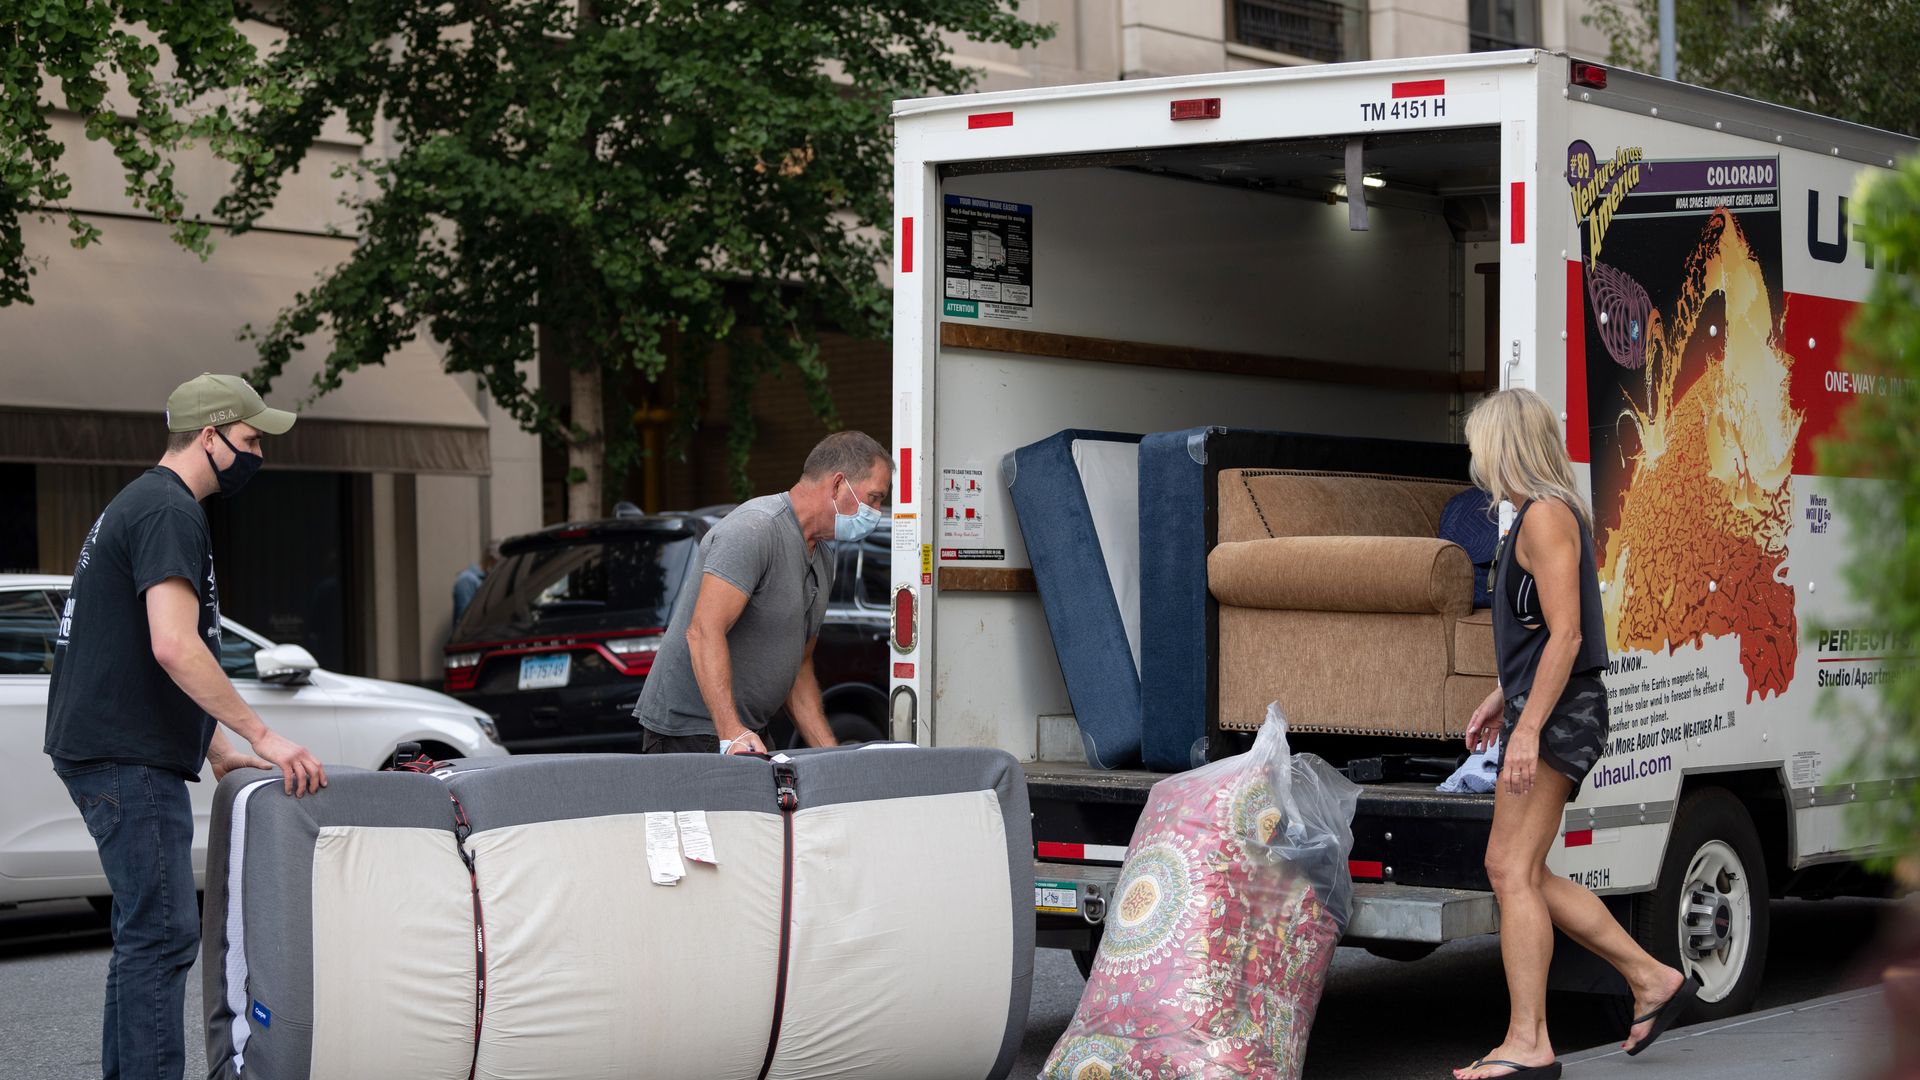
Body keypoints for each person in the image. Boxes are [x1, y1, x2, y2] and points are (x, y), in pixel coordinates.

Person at [44, 372, 328, 1080]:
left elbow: (142, 653)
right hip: (126, 758)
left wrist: (218, 747)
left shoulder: (142, 503)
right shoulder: (169, 510)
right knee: (165, 936)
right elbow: (174, 644)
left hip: (111, 749)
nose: (258, 454)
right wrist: (262, 734)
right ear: (209, 436)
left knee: (145, 937)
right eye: (250, 439)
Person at [1451, 388, 1694, 1080]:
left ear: (1504, 446)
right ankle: (1650, 978)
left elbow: (1569, 636)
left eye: (1480, 445)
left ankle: (1529, 1041)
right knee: (1523, 871)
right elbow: (1539, 636)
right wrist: (1501, 699)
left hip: (1562, 716)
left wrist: (1527, 729)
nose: (1476, 459)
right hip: (1549, 708)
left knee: (1510, 869)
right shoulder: (1534, 517)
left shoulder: (1545, 516)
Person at [634, 431, 891, 755]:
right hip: (690, 734)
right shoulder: (754, 529)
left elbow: (798, 666)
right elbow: (703, 630)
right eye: (874, 498)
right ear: (838, 484)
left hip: (747, 733)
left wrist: (831, 754)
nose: (877, 511)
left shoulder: (824, 556)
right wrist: (731, 732)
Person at [452, 540, 500, 626]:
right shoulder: (467, 581)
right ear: (490, 559)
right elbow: (465, 620)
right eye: (498, 563)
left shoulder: (487, 579)